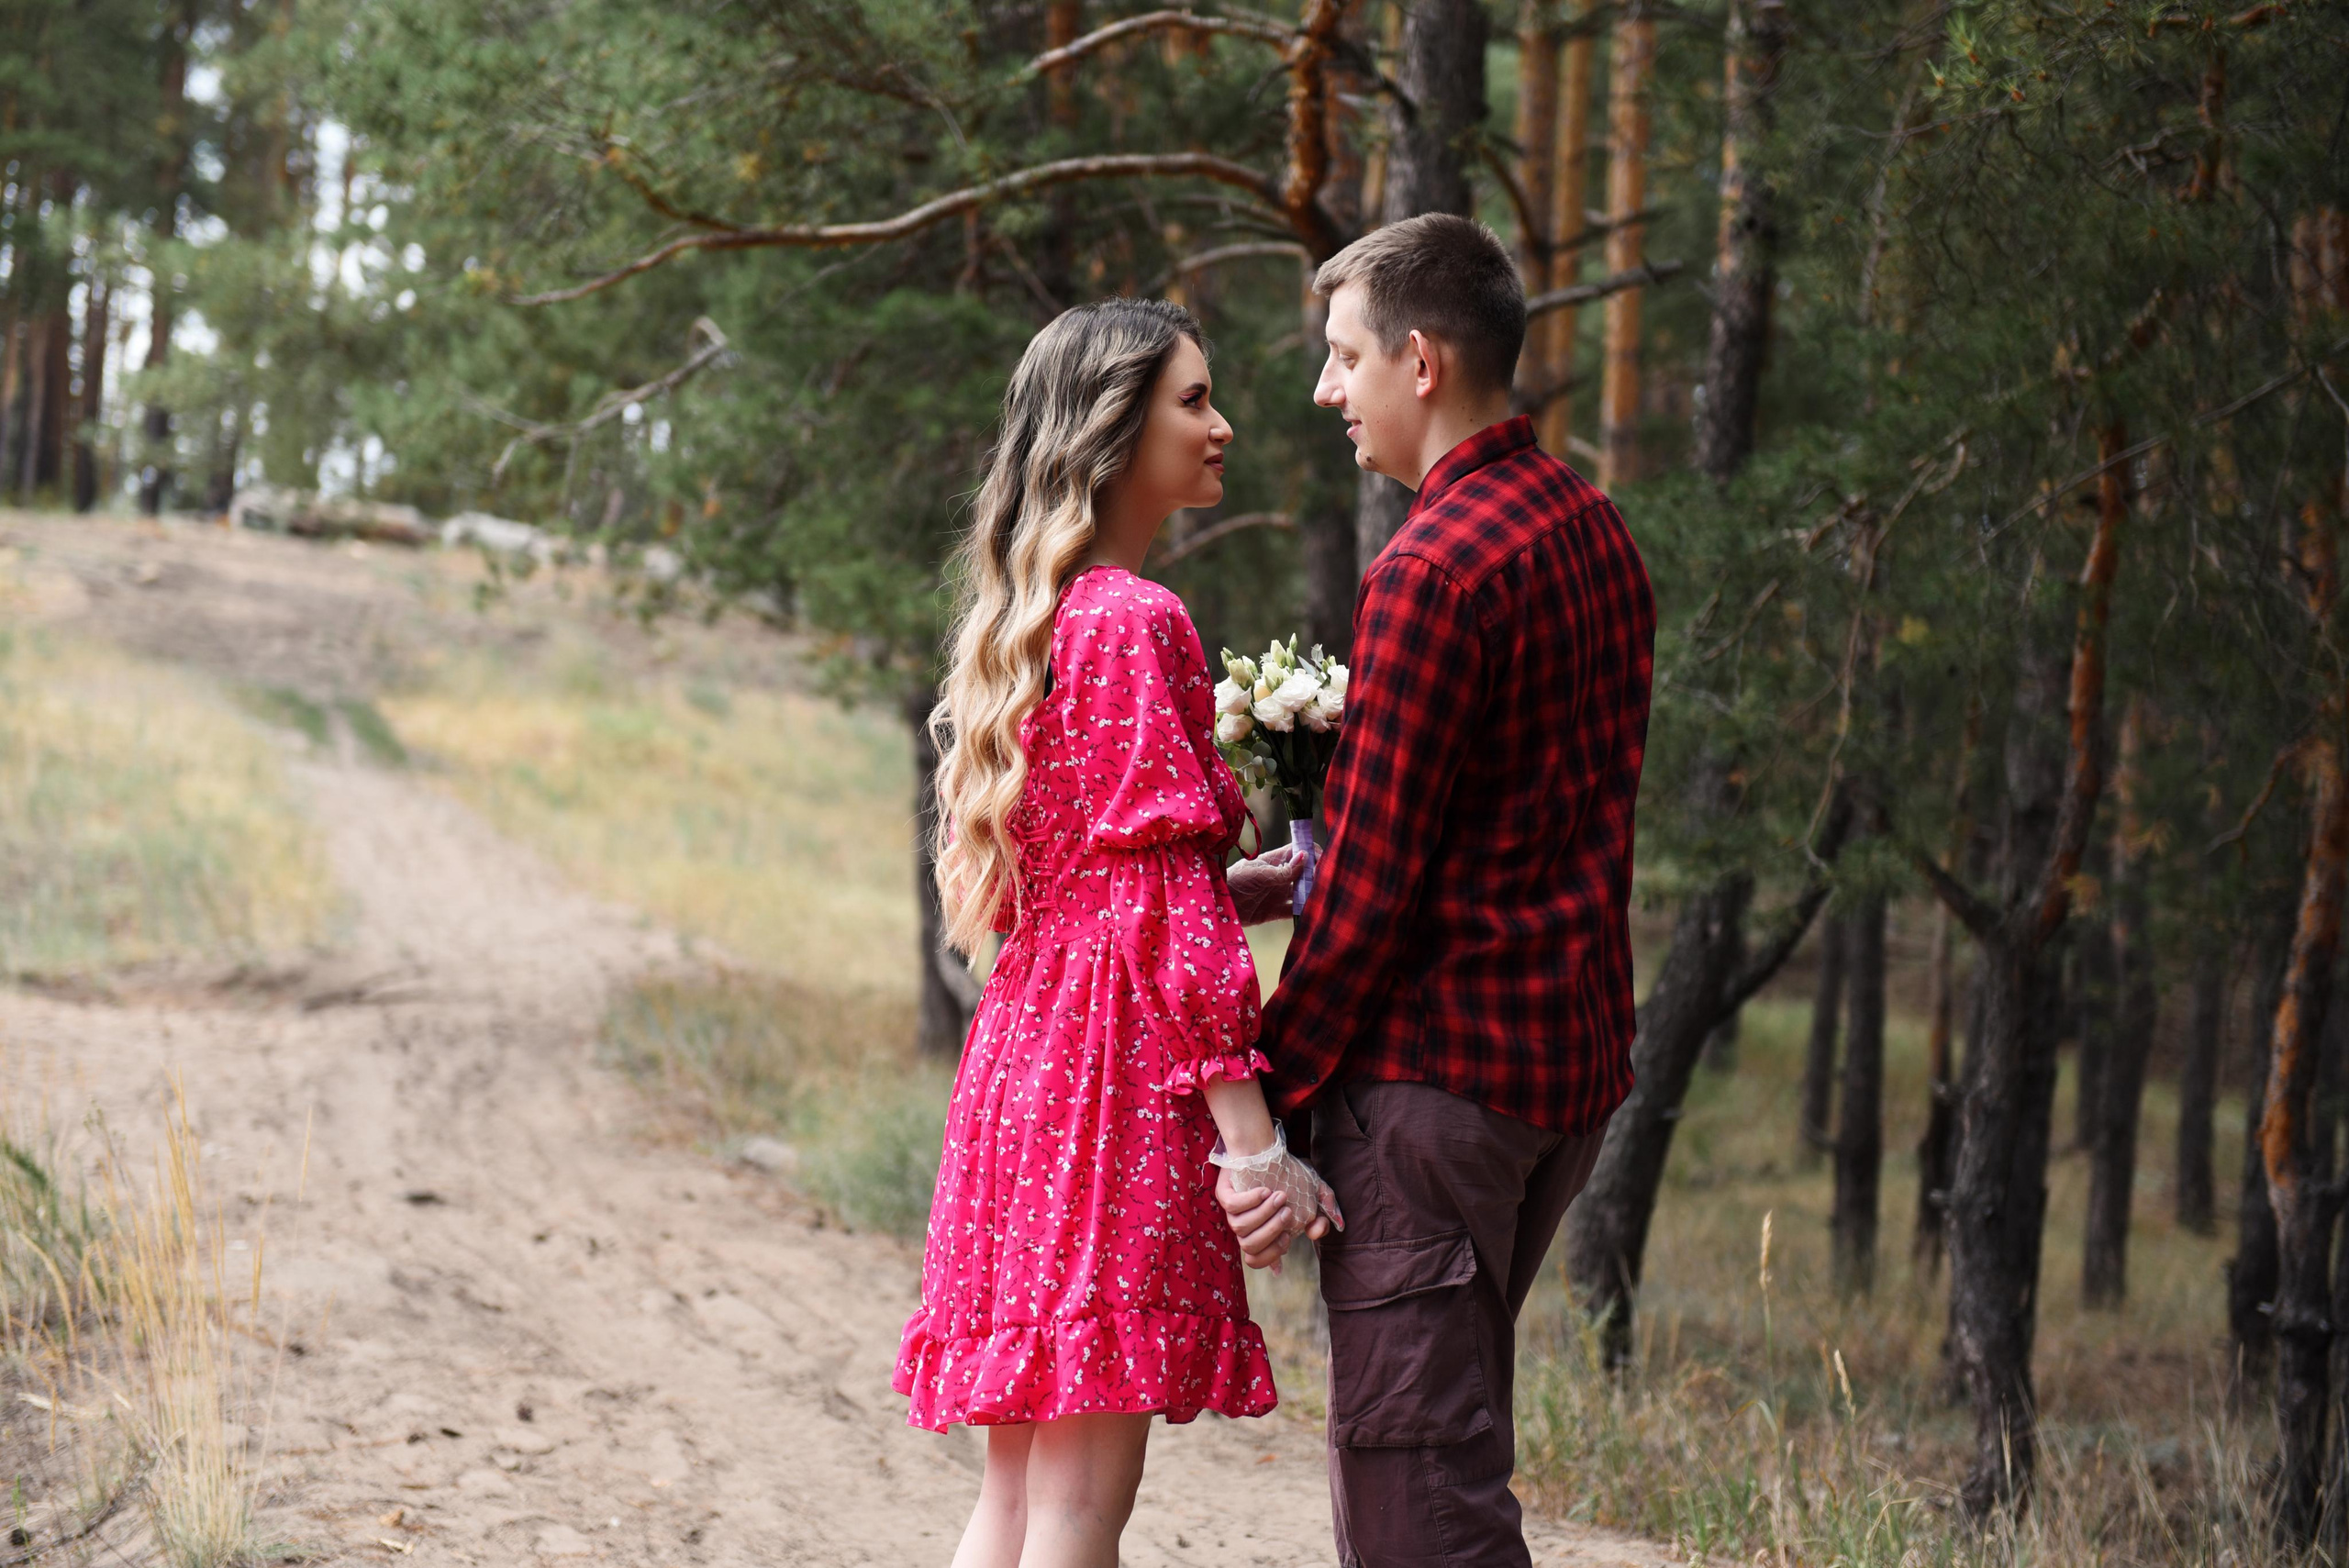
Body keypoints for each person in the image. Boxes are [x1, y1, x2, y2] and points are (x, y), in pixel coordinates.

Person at [1218, 214, 1656, 1568]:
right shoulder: (1595, 530)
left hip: (1435, 1098)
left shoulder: (1432, 569)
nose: (1325, 391)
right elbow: (1508, 821)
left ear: (1419, 361)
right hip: (1558, 1087)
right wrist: (1298, 864)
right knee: (1451, 1444)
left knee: (1421, 1500)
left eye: (1344, 357)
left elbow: (1376, 908)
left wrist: (1260, 1110)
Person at [896, 296, 1340, 1568]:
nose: (1224, 425)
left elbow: (1099, 881)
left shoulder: (1032, 621)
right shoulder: (1136, 620)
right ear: (1113, 429)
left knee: (1018, 1496)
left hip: (1024, 1075)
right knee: (1081, 1515)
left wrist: (1233, 883)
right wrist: (1251, 1148)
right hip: (1110, 1093)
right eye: (1193, 401)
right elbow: (1151, 912)